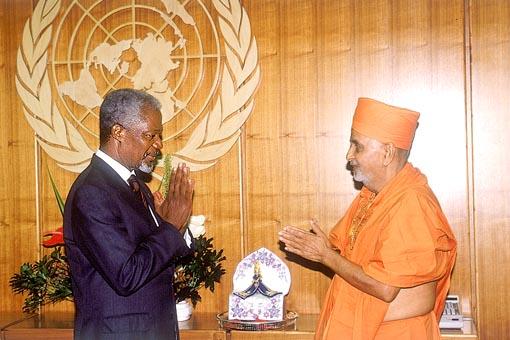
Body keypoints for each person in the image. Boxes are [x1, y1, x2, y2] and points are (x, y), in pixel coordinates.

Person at [278, 97, 457, 340]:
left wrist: (326, 255)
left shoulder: (411, 201)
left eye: (357, 146)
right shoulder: (373, 196)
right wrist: (326, 249)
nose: (348, 155)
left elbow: (385, 287)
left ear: (387, 153)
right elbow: (358, 257)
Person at [63, 88, 194, 340]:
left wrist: (174, 225)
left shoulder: (136, 186)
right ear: (118, 132)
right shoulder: (92, 192)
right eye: (150, 135)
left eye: (159, 135)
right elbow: (127, 275)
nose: (158, 144)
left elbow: (160, 256)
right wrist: (170, 227)